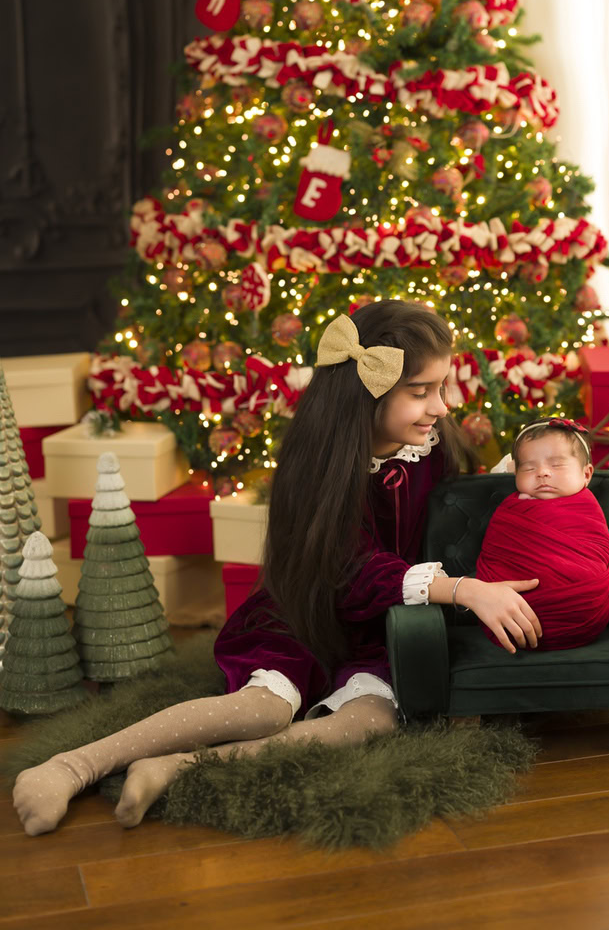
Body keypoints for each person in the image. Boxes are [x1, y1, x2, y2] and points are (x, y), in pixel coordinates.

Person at [13, 299, 543, 837]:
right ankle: (72, 765)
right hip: (308, 611)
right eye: (420, 392)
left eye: (441, 388)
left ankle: (174, 768)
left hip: (385, 625)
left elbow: (453, 511)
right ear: (368, 392)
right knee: (263, 709)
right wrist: (461, 589)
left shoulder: (430, 446)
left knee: (372, 720)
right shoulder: (322, 466)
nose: (441, 407)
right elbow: (350, 571)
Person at [476, 418, 609, 652]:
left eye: (557, 465)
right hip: (505, 618)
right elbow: (496, 556)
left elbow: (595, 556)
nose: (542, 473)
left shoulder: (587, 508)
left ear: (586, 474)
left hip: (585, 618)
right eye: (529, 468)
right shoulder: (510, 511)